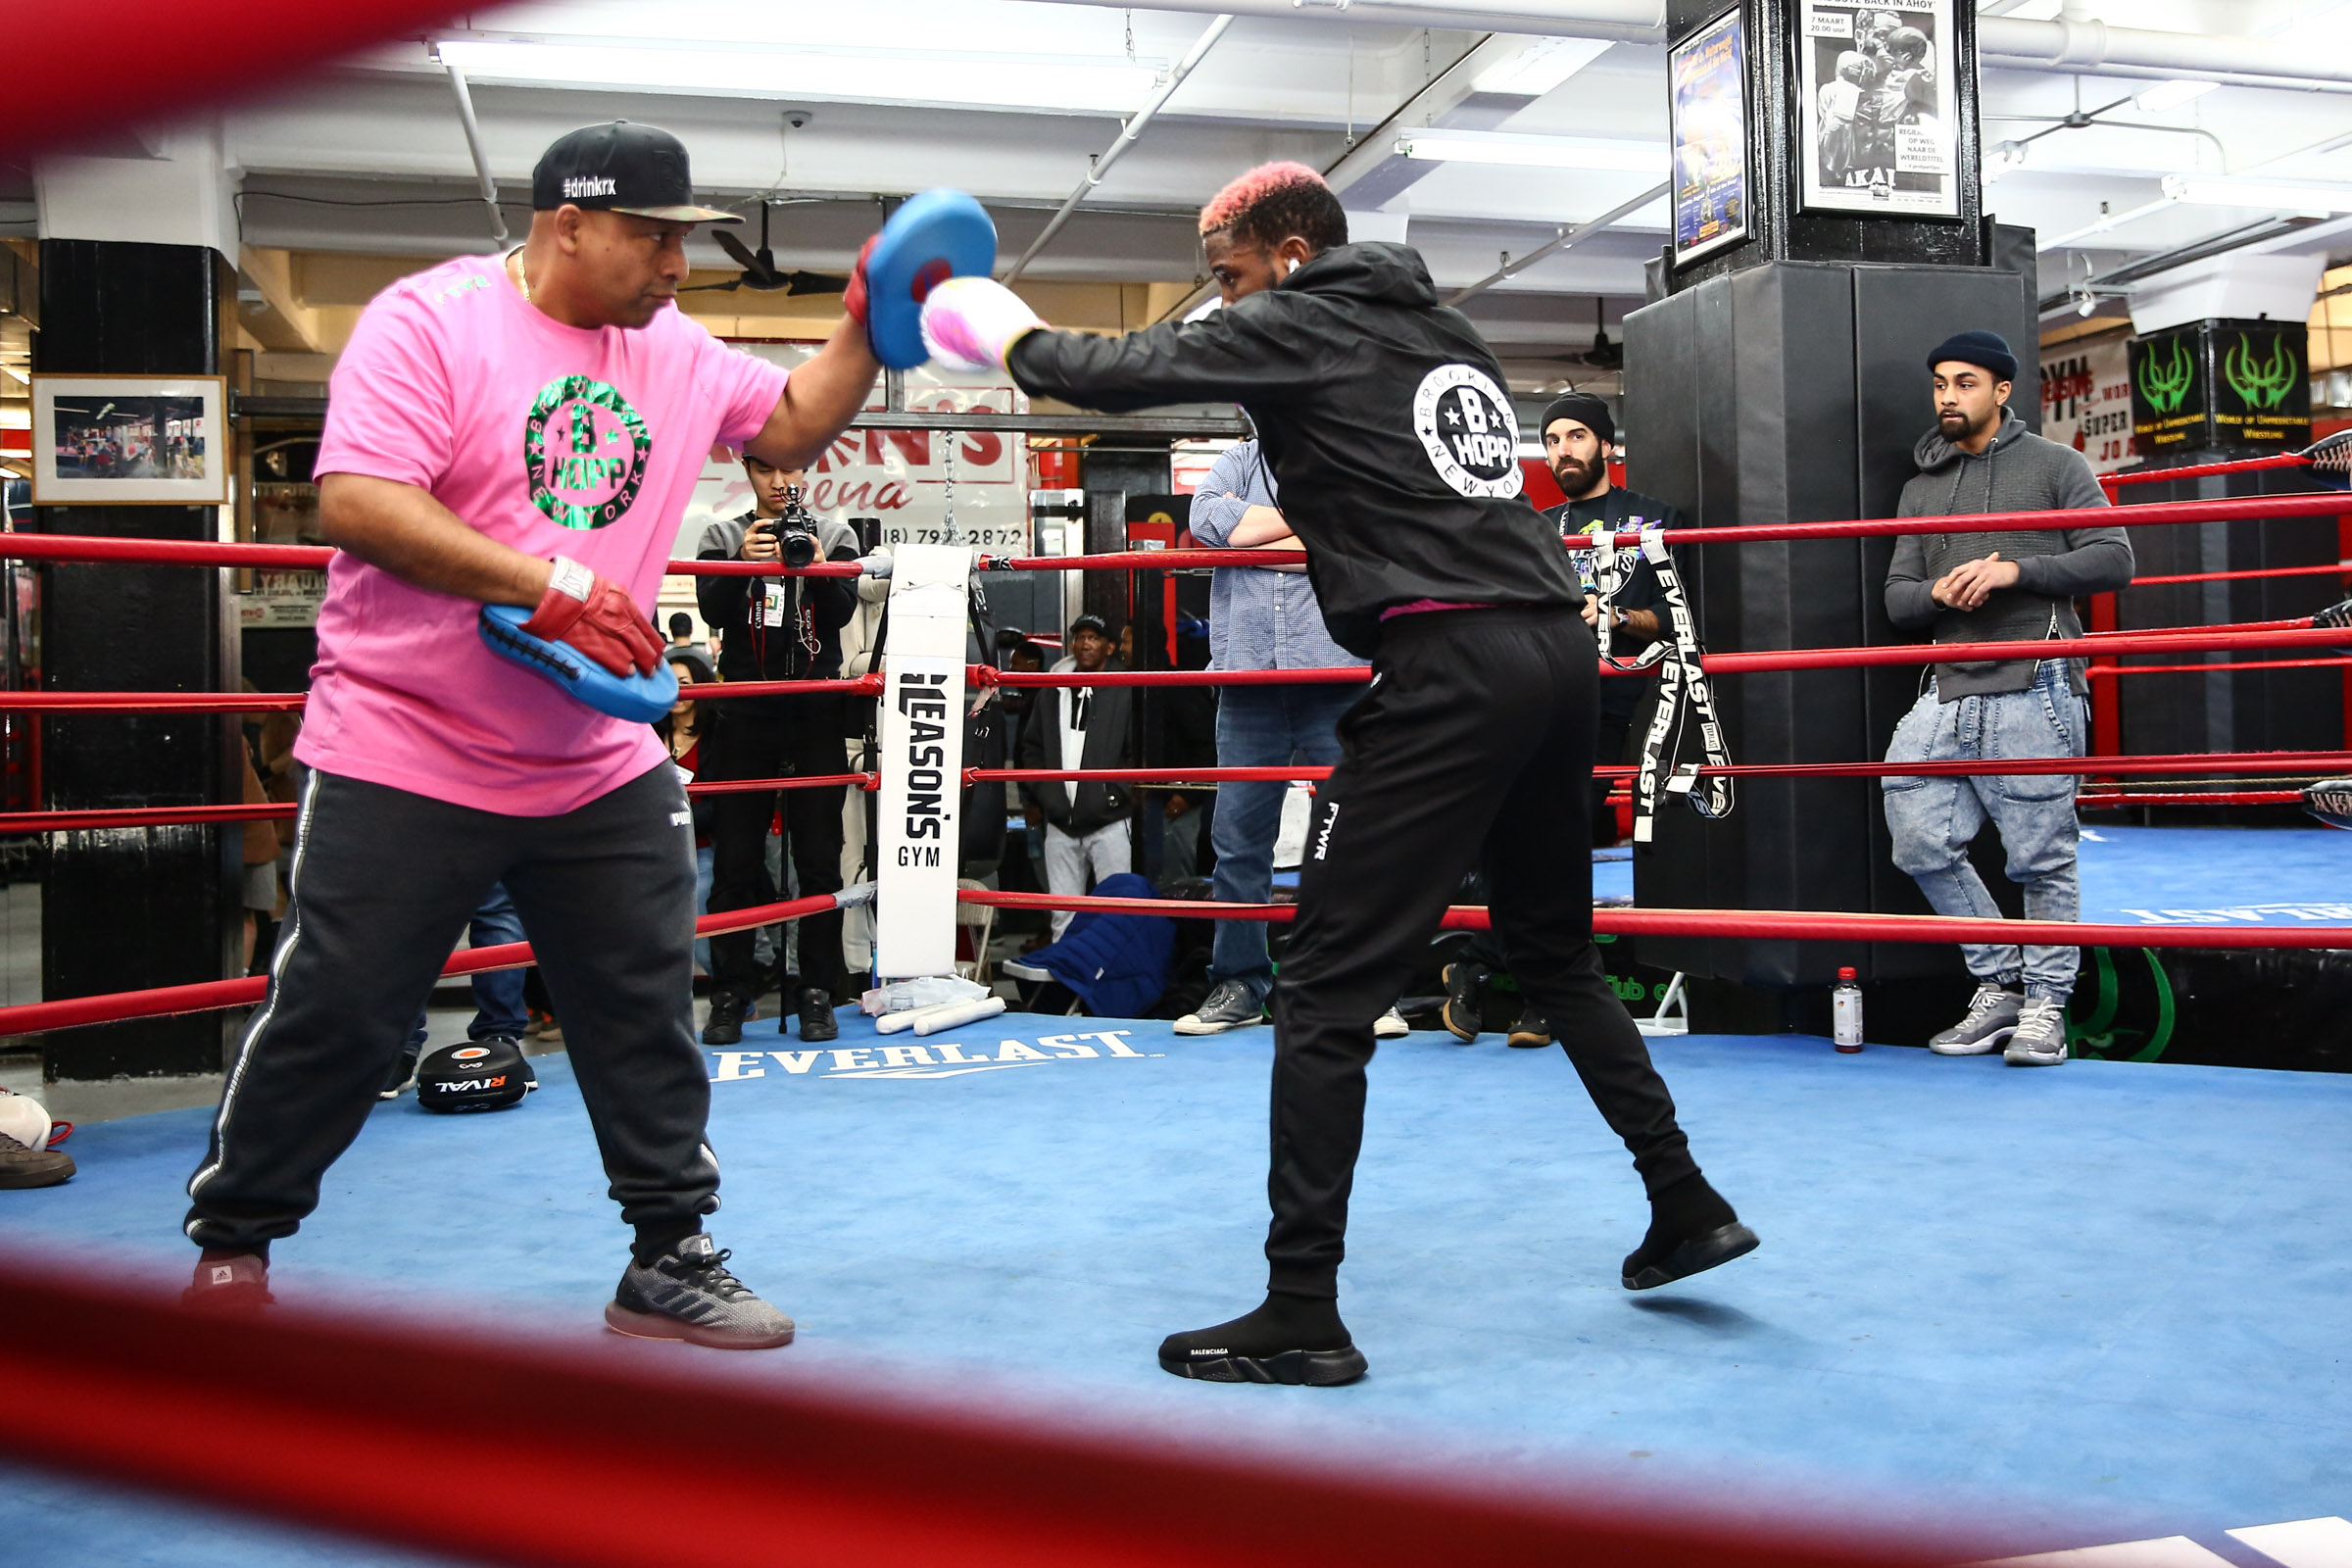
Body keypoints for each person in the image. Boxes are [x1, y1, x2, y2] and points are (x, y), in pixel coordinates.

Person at [920, 160, 1754, 1384]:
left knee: (1318, 987)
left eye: (1229, 275)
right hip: (1551, 654)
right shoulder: (1444, 330)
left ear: (1290, 254)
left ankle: (1302, 1308)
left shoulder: (1307, 318)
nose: (1223, 302)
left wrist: (1002, 328)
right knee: (1556, 952)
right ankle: (1685, 1200)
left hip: (1451, 662)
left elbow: (1118, 373)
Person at [179, 121, 892, 1350]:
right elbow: (358, 499)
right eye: (652, 237)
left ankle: (668, 1254)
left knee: (643, 1010)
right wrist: (544, 584)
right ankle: (233, 1247)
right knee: (342, 1012)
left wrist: (867, 330)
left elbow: (785, 425)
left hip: (597, 756)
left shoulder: (671, 347)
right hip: (407, 741)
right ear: (569, 223)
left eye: (683, 239)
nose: (675, 264)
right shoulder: (430, 322)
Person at [1884, 330, 2132, 1068]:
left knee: (2040, 858)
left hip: (2035, 678)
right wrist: (1938, 591)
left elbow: (2116, 556)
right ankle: (2000, 985)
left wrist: (2014, 571)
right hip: (1946, 685)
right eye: (1939, 383)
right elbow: (1897, 600)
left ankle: (2048, 1006)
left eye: (1965, 383)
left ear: (2001, 391)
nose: (1948, 396)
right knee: (1918, 839)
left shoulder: (2056, 464)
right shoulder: (1921, 488)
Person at [1444, 391, 1685, 1049]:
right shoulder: (1538, 526)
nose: (1562, 451)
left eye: (1576, 436)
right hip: (1527, 693)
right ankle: (1486, 969)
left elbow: (1676, 618)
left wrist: (1613, 614)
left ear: (1607, 445)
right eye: (1552, 441)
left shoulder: (1653, 519)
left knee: (1560, 843)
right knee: (1506, 834)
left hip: (1602, 698)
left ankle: (1516, 979)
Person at [1174, 437, 1403, 1041]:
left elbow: (1361, 542)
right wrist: (1310, 527)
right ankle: (1240, 985)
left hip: (1336, 675)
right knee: (1237, 840)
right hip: (1248, 678)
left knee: (1361, 835)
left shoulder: (1346, 455)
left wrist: (1254, 538)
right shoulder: (1237, 460)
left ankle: (1366, 989)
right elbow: (1206, 520)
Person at [693, 456, 860, 1046]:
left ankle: (817, 991)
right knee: (735, 862)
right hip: (745, 711)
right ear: (748, 471)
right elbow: (712, 611)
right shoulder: (721, 535)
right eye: (766, 470)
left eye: (791, 469)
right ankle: (730, 995)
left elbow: (842, 612)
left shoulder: (835, 534)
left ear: (807, 471)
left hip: (815, 711)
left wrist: (817, 566)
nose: (780, 482)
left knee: (819, 858)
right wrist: (744, 562)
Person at [1016, 613, 1135, 940]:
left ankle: (1111, 971)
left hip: (1109, 819)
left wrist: (1116, 793)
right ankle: (1064, 972)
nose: (1085, 644)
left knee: (1116, 911)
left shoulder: (1125, 688)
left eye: (1093, 637)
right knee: (1062, 916)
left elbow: (1140, 748)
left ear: (1109, 647)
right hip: (1060, 820)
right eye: (1080, 637)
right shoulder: (1053, 689)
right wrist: (1046, 794)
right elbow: (1032, 747)